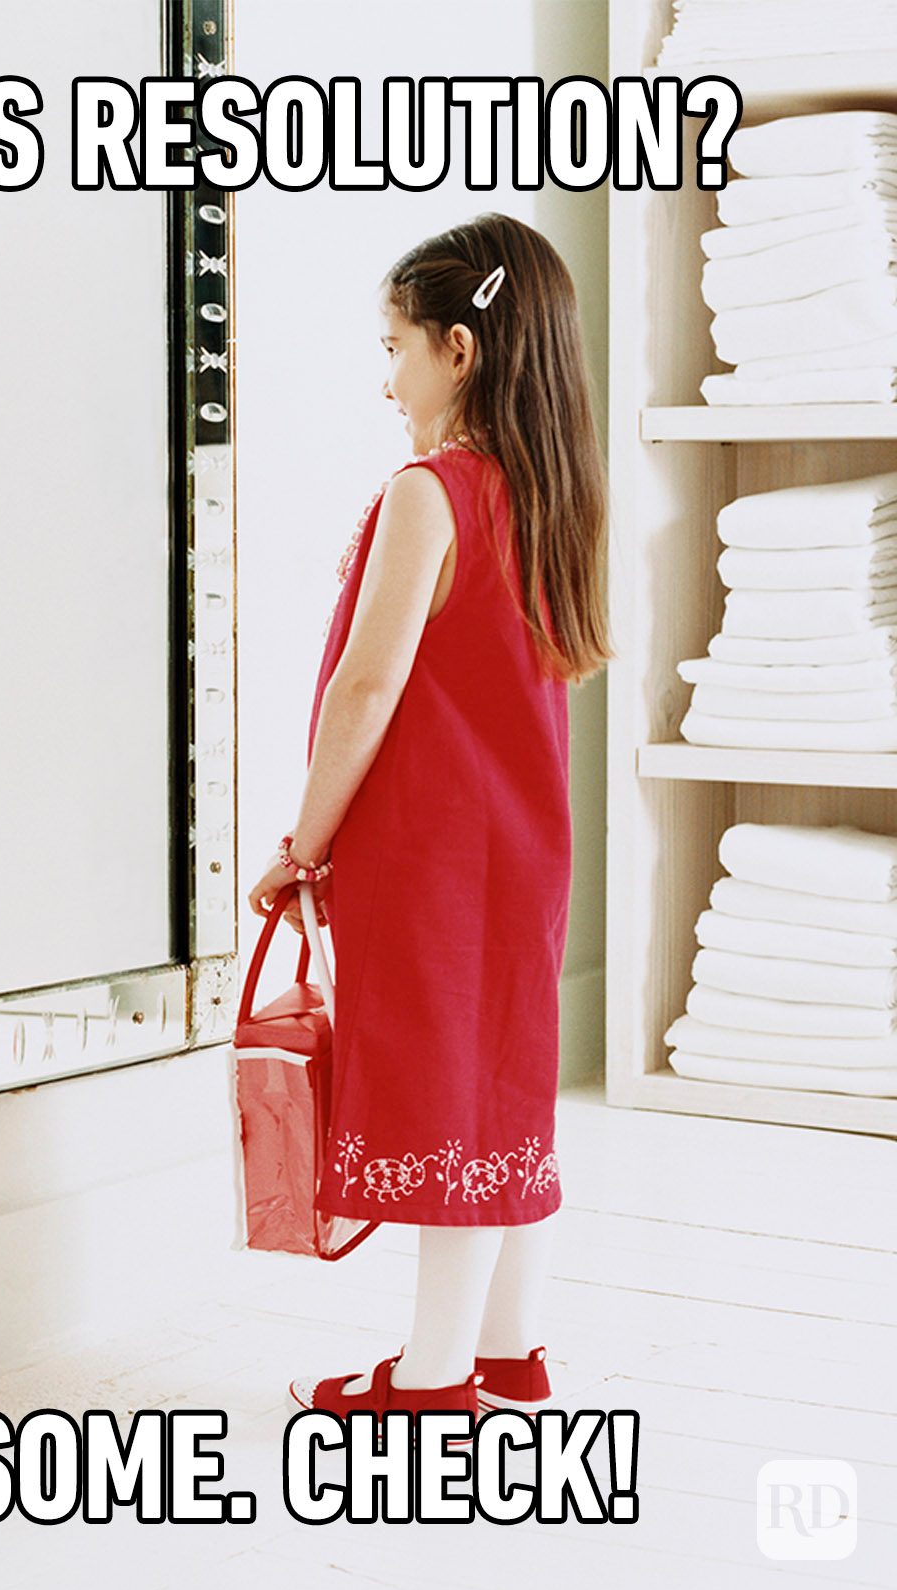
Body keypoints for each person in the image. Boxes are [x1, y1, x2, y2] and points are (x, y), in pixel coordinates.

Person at [247, 214, 611, 1425]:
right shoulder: (548, 494)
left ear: (458, 349)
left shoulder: (431, 491)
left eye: (396, 343)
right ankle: (508, 1351)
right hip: (523, 855)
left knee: (445, 1100)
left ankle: (431, 1376)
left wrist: (303, 843)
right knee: (505, 1093)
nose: (384, 372)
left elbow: (366, 686)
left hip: (429, 858)